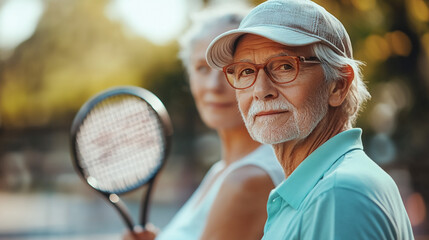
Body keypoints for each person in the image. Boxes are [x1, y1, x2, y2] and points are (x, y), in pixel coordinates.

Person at [206, 0, 415, 239]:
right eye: (246, 71)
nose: (261, 90)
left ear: (338, 85)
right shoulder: (322, 189)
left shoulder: (339, 193)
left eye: (284, 66)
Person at [123, 4, 284, 240]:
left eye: (235, 69)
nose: (213, 86)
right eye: (201, 68)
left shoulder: (249, 179)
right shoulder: (221, 170)